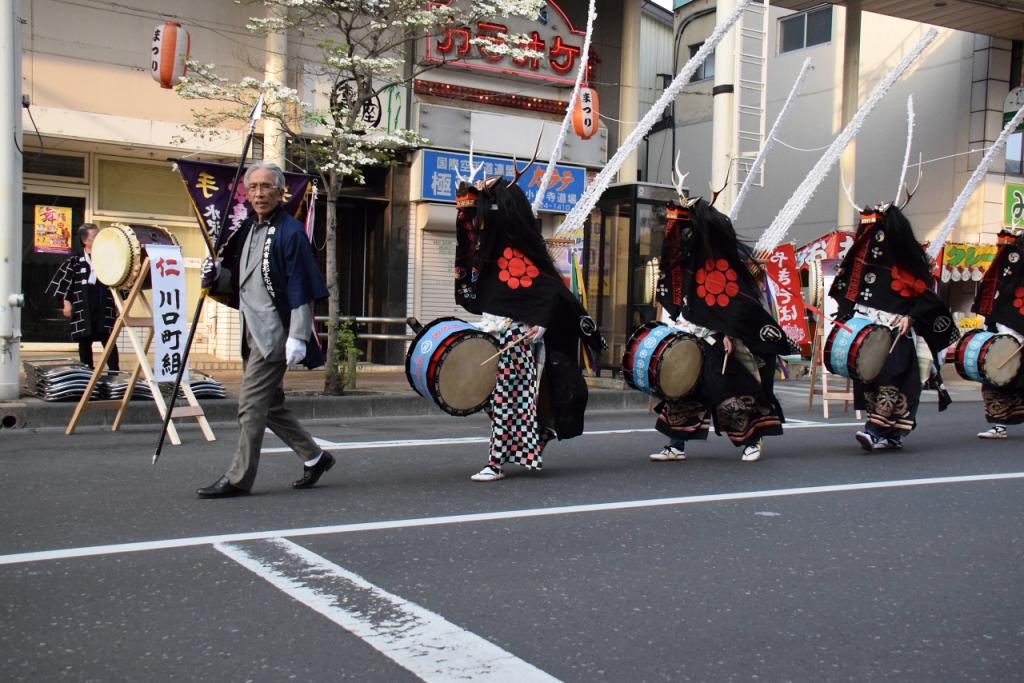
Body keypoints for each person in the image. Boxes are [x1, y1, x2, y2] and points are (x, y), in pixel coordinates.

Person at [453, 176, 604, 482]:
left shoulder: (516, 254)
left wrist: (541, 323)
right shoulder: (494, 251)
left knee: (506, 400)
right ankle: (536, 435)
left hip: (517, 339)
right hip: (499, 334)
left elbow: (548, 292)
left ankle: (495, 463)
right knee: (498, 403)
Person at [195, 162, 332, 498]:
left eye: (266, 186)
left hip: (274, 334)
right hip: (250, 329)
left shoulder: (291, 231)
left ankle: (239, 478)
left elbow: (301, 286)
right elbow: (238, 281)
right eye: (253, 187)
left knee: (251, 405)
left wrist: (298, 336)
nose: (259, 193)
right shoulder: (246, 229)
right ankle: (315, 457)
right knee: (270, 406)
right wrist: (215, 274)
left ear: (280, 191)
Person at [650, 198, 793, 463]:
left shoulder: (720, 264)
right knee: (683, 389)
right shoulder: (688, 259)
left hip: (718, 338)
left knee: (729, 390)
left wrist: (728, 333)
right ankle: (676, 444)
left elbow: (735, 306)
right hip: (692, 333)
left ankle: (752, 439)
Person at [829, 204, 959, 452]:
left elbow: (923, 295)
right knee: (870, 380)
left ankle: (875, 431)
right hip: (869, 329)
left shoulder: (905, 262)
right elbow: (849, 288)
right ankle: (889, 434)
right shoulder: (862, 260)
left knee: (893, 379)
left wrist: (911, 315)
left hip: (897, 331)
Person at [970, 228, 1024, 438]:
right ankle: (998, 426)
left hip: (1016, 331)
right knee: (994, 378)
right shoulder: (1000, 272)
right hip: (999, 331)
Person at [45, 223, 120, 372]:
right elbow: (66, 283)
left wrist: (118, 303)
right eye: (95, 236)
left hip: (104, 302)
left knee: (109, 339)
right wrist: (66, 303)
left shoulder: (108, 258)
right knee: (84, 339)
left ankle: (115, 371)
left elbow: (118, 281)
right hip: (82, 304)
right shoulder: (74, 260)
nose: (99, 239)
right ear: (85, 241)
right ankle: (87, 372)